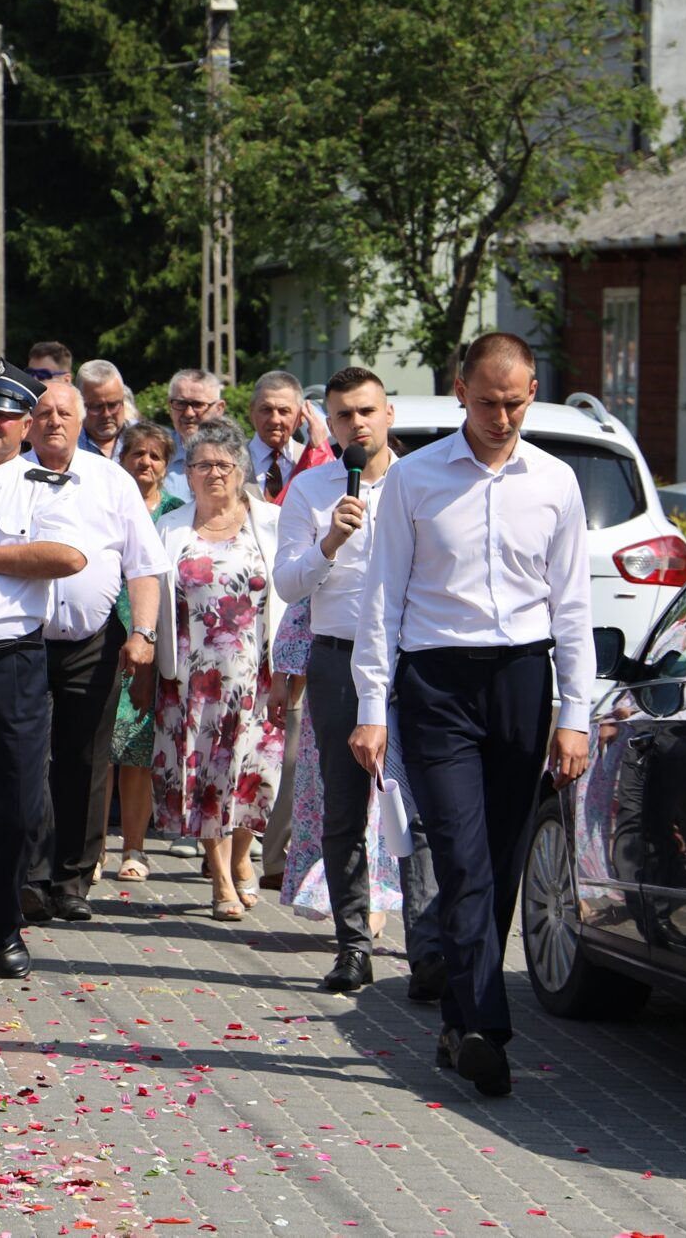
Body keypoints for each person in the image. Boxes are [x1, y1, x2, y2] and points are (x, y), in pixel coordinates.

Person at [352, 332, 593, 1100]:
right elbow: (381, 600)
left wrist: (576, 712)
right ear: (461, 391)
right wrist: (371, 706)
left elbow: (572, 606)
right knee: (461, 857)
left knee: (501, 857)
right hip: (436, 683)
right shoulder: (415, 479)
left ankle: (460, 1023)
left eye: (515, 402)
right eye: (488, 401)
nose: (501, 416)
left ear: (533, 393)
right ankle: (489, 1025)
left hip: (521, 678)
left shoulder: (555, 482)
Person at [272, 366, 441, 996]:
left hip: (412, 660)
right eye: (343, 415)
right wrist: (329, 544)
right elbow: (287, 583)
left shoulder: (421, 481)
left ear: (388, 414)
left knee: (416, 807)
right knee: (343, 808)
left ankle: (427, 952)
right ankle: (353, 947)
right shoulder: (311, 489)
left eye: (367, 411)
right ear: (331, 424)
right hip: (338, 660)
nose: (357, 424)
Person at [0, 359, 86, 981]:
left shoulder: (46, 486)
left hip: (14, 657)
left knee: (19, 808)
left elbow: (66, 556)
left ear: (26, 426)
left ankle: (3, 921)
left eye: (5, 418)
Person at [25, 379, 166, 922]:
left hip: (93, 640)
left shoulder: (111, 481)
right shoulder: (12, 477)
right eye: (44, 412)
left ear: (81, 421)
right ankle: (31, 875)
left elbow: (144, 564)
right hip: (23, 639)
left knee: (86, 760)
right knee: (29, 757)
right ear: (29, 422)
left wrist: (143, 633)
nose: (54, 421)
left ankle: (73, 879)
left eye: (64, 413)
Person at [152, 418, 287, 921]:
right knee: (207, 774)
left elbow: (292, 595)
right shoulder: (170, 527)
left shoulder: (270, 522)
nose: (214, 473)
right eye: (203, 464)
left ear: (241, 470)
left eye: (224, 465)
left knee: (255, 775)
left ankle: (240, 854)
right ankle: (221, 877)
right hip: (195, 678)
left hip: (257, 674)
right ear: (188, 473)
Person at [106, 422, 184, 881]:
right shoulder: (108, 504)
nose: (146, 462)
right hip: (105, 637)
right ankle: (92, 848)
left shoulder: (177, 513)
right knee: (101, 753)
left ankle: (133, 849)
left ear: (167, 465)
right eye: (137, 453)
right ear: (122, 459)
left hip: (155, 642)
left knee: (137, 751)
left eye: (155, 455)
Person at [245, 370, 332, 503]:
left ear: (301, 416)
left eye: (283, 411)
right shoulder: (229, 460)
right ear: (252, 412)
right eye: (266, 410)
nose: (275, 420)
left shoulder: (314, 459)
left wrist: (321, 448)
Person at [160, 368, 226, 504]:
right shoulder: (155, 456)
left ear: (219, 408)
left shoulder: (237, 457)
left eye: (198, 404)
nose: (189, 413)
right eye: (180, 404)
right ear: (170, 406)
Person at [76, 360, 133, 460]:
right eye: (97, 406)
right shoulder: (69, 445)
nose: (106, 414)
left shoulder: (145, 439)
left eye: (113, 405)